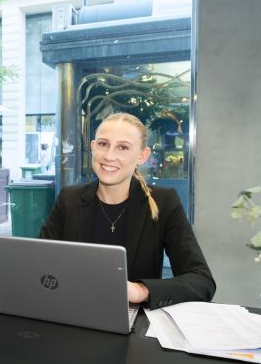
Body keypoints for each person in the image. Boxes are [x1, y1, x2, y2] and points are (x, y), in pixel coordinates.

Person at [39, 113, 215, 309]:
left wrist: (141, 291)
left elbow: (202, 281)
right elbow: (40, 266)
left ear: (142, 156)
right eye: (103, 144)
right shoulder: (68, 199)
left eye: (123, 147)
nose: (109, 156)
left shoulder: (164, 202)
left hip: (132, 325)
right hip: (71, 313)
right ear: (93, 147)